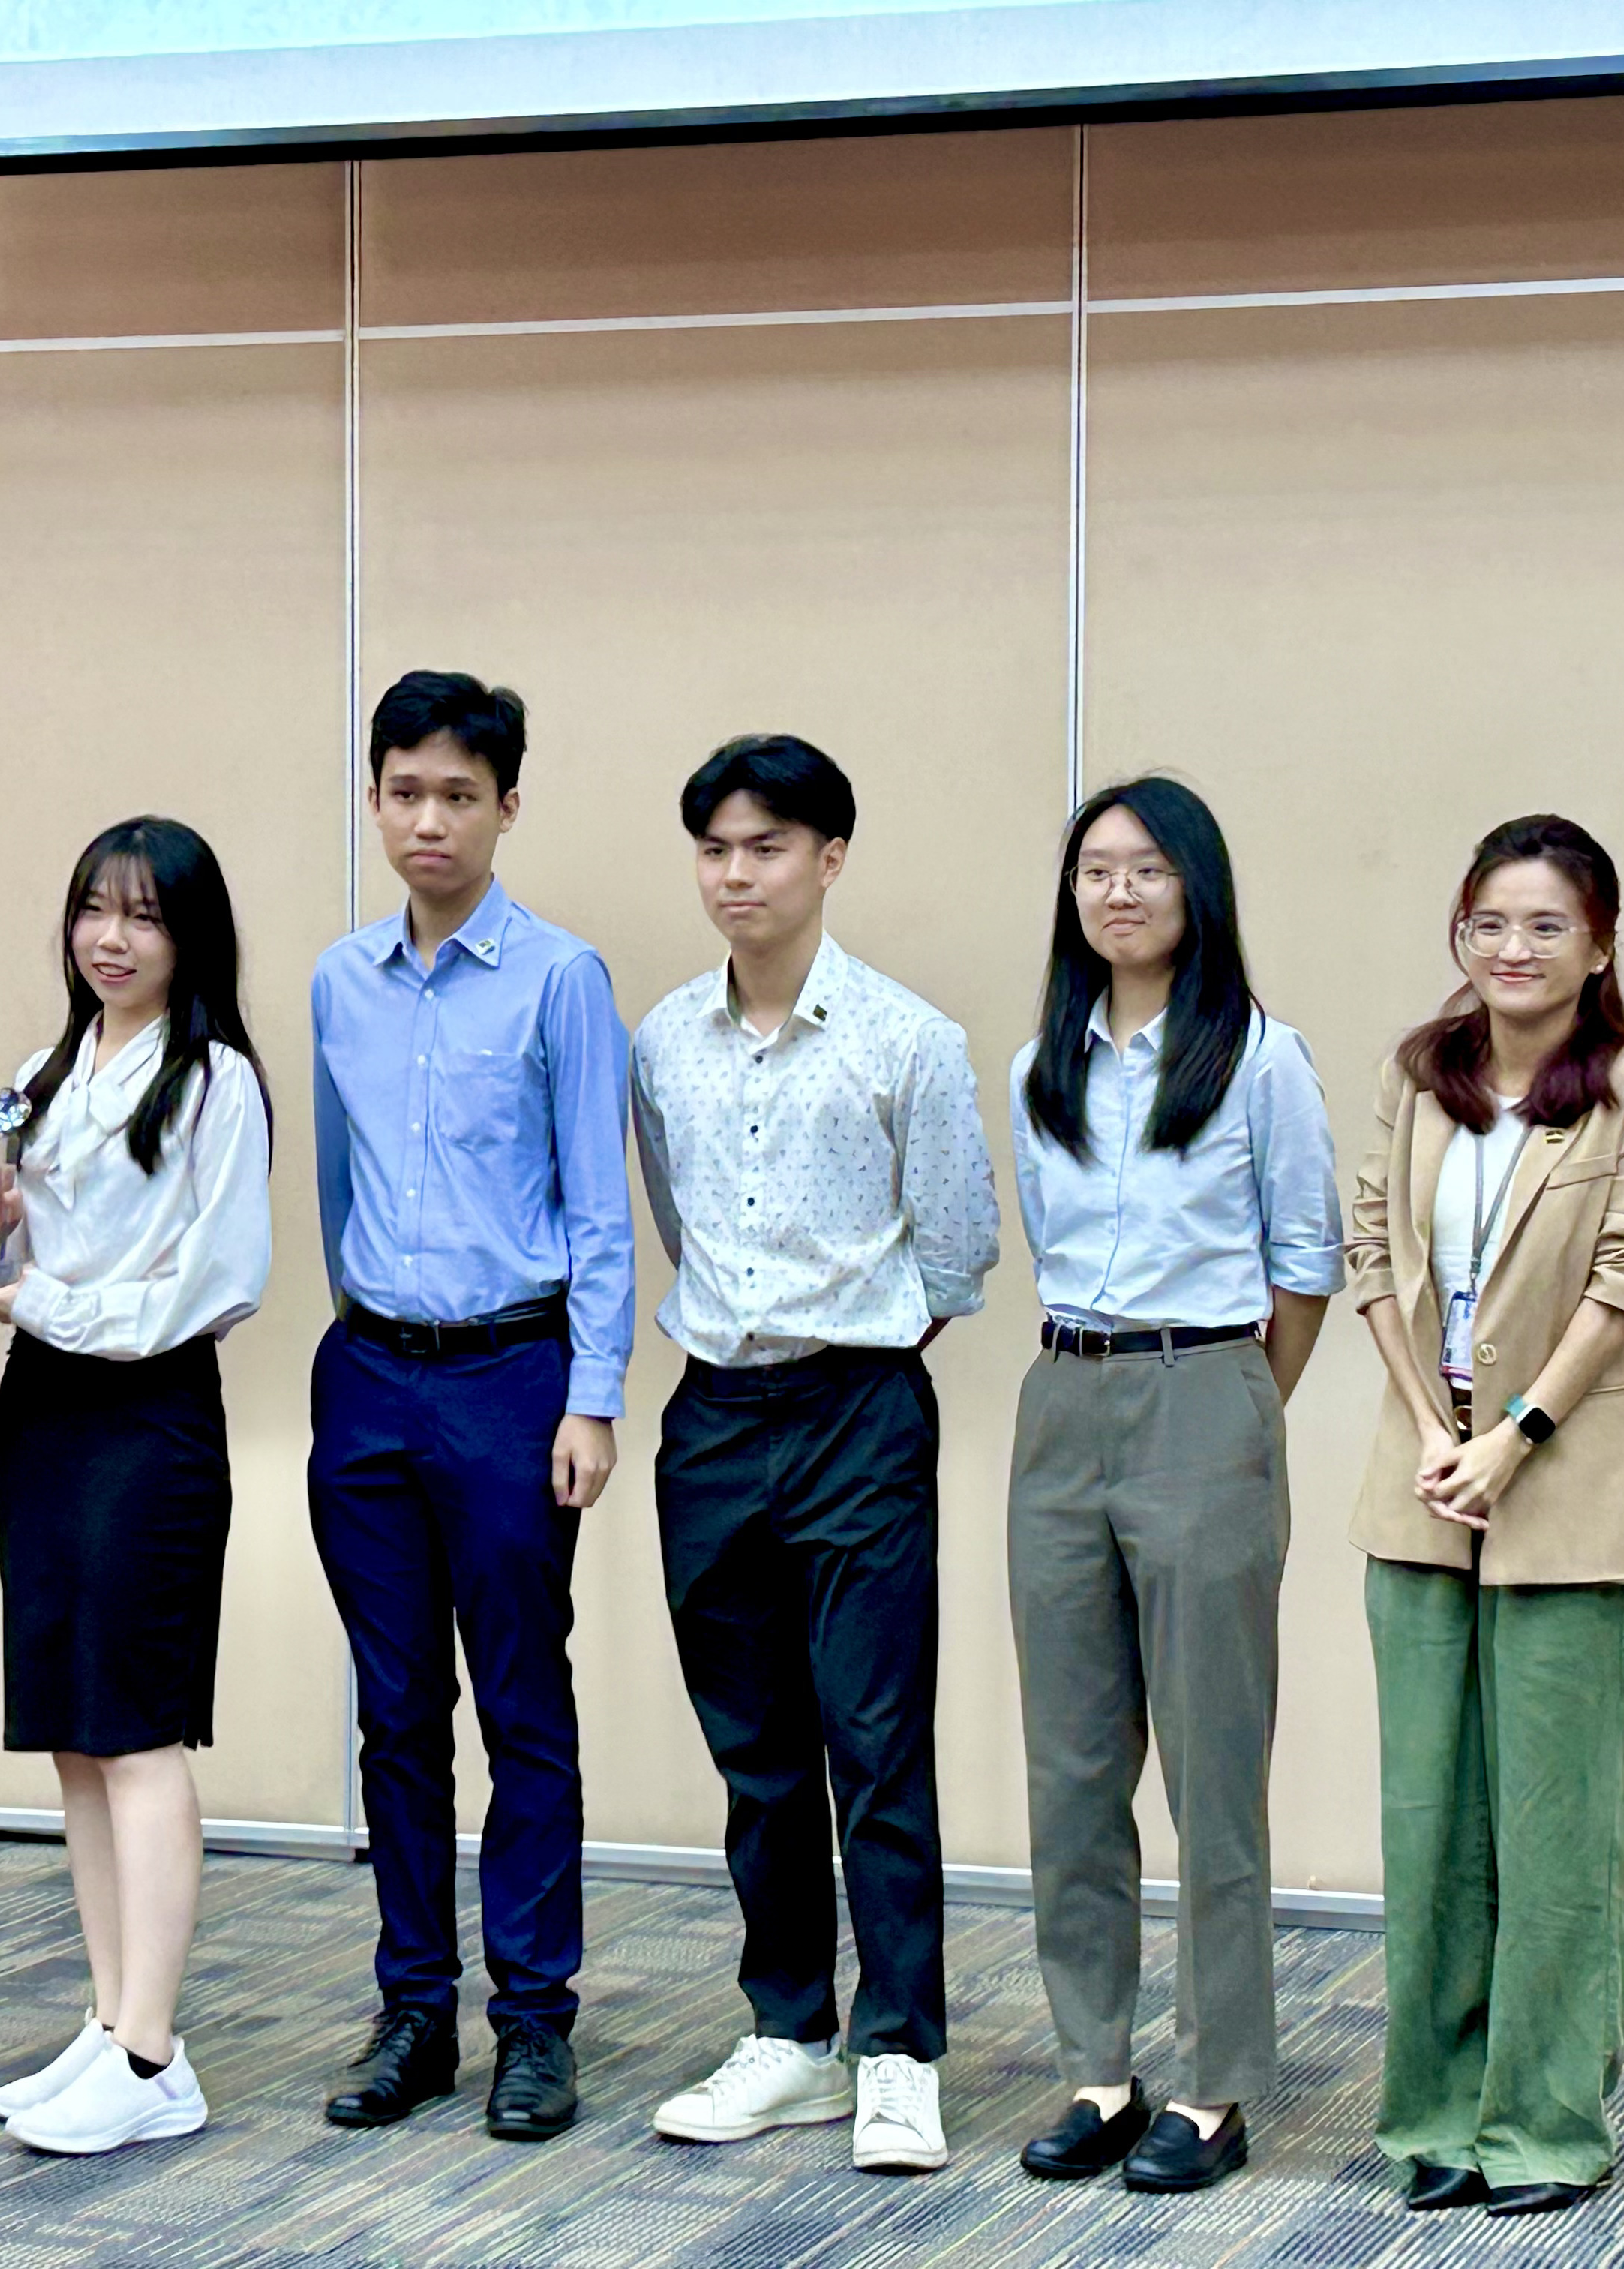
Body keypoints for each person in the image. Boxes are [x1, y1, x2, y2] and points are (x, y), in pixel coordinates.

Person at [634, 734, 1001, 2177]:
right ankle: (787, 2033)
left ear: (831, 858)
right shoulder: (665, 1040)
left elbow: (958, 1251)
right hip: (714, 1416)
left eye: (768, 847)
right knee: (759, 1752)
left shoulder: (907, 1039)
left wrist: (849, 1337)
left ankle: (899, 2049)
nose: (738, 874)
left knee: (876, 1741)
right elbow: (678, 1221)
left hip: (859, 1410)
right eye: (715, 849)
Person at [1346, 814, 1624, 2219]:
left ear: (1599, 945)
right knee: (1429, 1823)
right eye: (1489, 921)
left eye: (1548, 924)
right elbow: (1371, 1252)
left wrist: (1516, 1437)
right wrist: (1438, 1434)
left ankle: (1545, 2123)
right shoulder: (1417, 1077)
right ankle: (1436, 2113)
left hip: (1569, 1486)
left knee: (1558, 1832)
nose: (1514, 947)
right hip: (1425, 1484)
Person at [306, 671, 634, 2144]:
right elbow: (339, 1187)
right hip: (371, 1377)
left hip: (514, 1381)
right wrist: (362, 1334)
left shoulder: (561, 978)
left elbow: (600, 1206)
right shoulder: (339, 980)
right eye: (404, 792)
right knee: (393, 1716)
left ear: (507, 806)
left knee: (521, 1705)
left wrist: (593, 1394)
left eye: (458, 794)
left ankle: (537, 2023)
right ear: (376, 802)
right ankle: (415, 2013)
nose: (428, 820)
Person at [1004, 777, 1341, 2194]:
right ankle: (1098, 2067)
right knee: (1073, 1766)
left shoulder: (1261, 1057)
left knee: (1211, 1766)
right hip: (1060, 1402)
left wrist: (1237, 1413)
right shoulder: (1043, 1066)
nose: (1120, 892)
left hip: (1206, 1391)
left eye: (1148, 867)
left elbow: (1305, 1265)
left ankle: (1213, 2084)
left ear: (1197, 886)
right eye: (1097, 869)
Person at [0, 818, 272, 2156]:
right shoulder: (44, 1071)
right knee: (75, 1735)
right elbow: (3, 1253)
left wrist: (39, 1296)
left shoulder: (216, 1081)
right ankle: (108, 2023)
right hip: (41, 1411)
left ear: (190, 937)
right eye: (93, 909)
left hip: (148, 1415)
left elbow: (218, 1283)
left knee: (136, 1733)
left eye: (143, 916)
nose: (111, 939)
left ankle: (151, 2053)